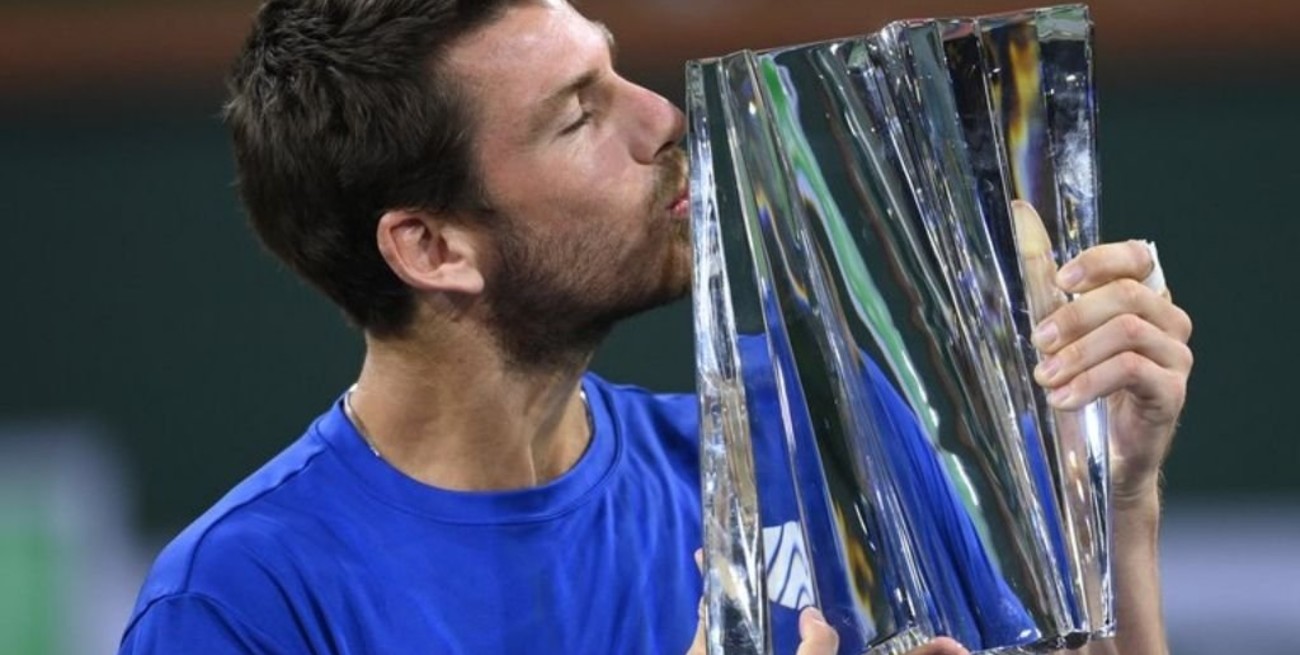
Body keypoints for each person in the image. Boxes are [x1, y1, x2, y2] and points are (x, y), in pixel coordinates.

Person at [117, 1, 1193, 653]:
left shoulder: (816, 433)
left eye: (615, 66)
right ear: (433, 248)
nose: (661, 118)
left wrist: (1110, 499)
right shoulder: (241, 598)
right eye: (578, 114)